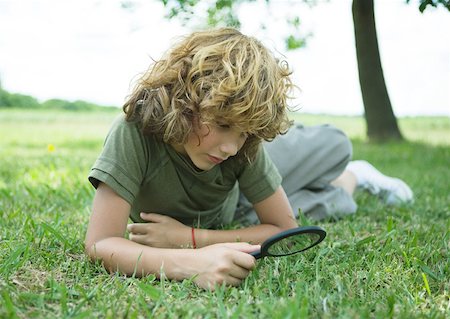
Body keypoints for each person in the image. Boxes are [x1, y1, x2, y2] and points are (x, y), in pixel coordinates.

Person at [85, 27, 413, 290]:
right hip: (237, 210)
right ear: (183, 100)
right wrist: (189, 264)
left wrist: (190, 241)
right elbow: (101, 243)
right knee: (340, 205)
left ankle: (348, 167)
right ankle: (355, 177)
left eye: (243, 133)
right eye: (224, 125)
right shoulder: (134, 132)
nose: (231, 148)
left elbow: (283, 226)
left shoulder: (243, 145)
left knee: (336, 145)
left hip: (232, 200)